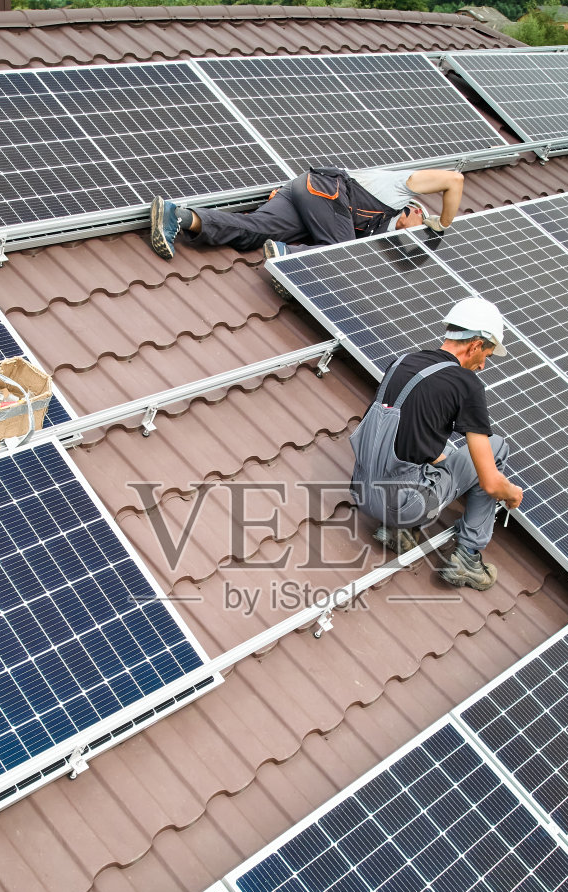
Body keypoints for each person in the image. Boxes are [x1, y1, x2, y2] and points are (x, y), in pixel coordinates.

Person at [349, 297, 523, 591]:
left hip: (363, 490)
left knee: (448, 458)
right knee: (497, 447)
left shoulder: (403, 362)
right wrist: (512, 492)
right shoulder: (466, 385)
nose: (482, 366)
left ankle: (400, 532)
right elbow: (491, 483)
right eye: (487, 357)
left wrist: (446, 462)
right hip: (405, 505)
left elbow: (394, 434)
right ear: (476, 345)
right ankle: (467, 556)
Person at [148, 167, 464, 260]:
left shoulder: (381, 232)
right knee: (343, 253)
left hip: (305, 194)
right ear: (412, 210)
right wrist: (443, 224)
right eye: (420, 222)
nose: (415, 231)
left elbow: (404, 264)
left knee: (253, 231)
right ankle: (287, 256)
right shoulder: (400, 189)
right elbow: (454, 179)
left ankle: (178, 216)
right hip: (325, 191)